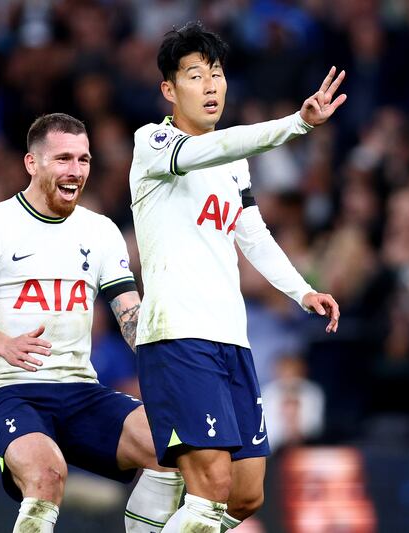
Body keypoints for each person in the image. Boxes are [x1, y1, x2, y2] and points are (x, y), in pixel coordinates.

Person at [129, 22, 343, 532]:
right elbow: (209, 151)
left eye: (217, 74)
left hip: (232, 340)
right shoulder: (154, 143)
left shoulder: (234, 162)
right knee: (213, 489)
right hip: (179, 336)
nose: (210, 86)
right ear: (169, 89)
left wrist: (302, 289)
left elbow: (252, 233)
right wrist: (297, 124)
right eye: (195, 76)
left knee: (245, 496)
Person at [0, 113, 183, 533]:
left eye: (83, 159)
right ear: (32, 163)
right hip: (11, 392)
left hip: (80, 390)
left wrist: (170, 357)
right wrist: (5, 344)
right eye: (63, 159)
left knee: (174, 447)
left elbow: (131, 315)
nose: (75, 171)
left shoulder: (101, 231)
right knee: (47, 475)